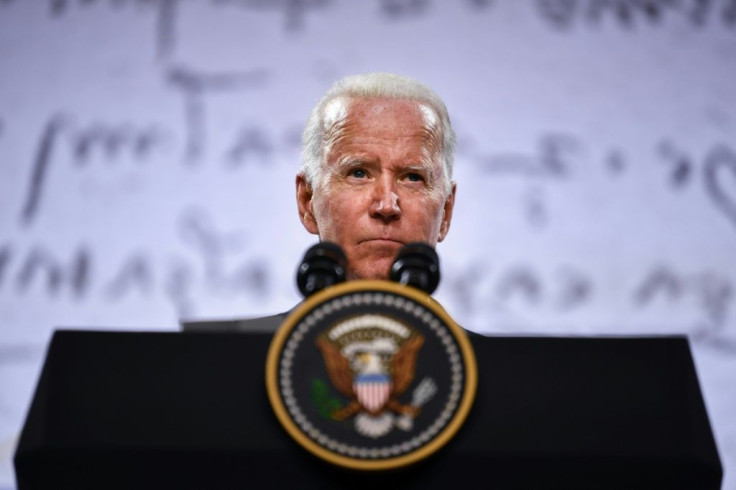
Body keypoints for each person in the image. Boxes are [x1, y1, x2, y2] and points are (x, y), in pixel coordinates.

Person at [182, 72, 457, 332]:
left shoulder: (495, 370)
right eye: (358, 173)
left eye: (412, 177)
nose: (386, 205)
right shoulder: (216, 362)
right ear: (307, 201)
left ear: (445, 211)